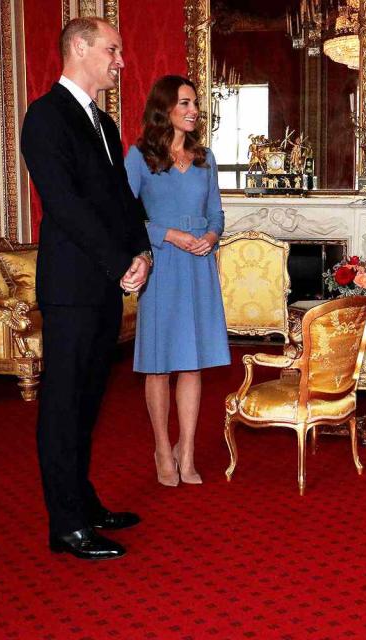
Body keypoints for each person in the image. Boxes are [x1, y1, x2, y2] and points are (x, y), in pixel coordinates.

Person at [21, 17, 152, 561]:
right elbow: (66, 207)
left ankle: (84, 501)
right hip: (73, 287)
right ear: (79, 48)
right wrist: (117, 259)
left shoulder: (102, 120)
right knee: (63, 406)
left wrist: (141, 251)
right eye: (112, 49)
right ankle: (67, 525)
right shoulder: (45, 117)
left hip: (103, 285)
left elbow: (120, 196)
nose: (120, 60)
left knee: (89, 403)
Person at [125, 75, 231, 487]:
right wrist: (168, 235)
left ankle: (186, 452)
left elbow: (217, 214)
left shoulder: (205, 158)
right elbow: (126, 216)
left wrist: (208, 237)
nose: (193, 111)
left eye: (195, 104)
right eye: (185, 103)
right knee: (159, 364)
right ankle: (161, 448)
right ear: (164, 108)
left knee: (192, 362)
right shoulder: (140, 157)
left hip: (199, 266)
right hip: (163, 264)